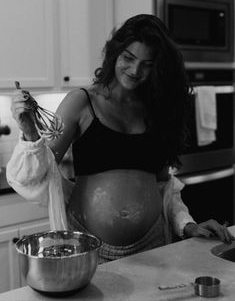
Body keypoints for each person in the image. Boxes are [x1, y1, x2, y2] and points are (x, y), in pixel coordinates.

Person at [7, 14, 234, 263]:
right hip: (92, 251)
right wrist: (30, 133)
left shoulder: (155, 109)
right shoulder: (82, 102)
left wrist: (188, 226)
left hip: (154, 246)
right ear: (114, 53)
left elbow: (163, 187)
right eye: (128, 58)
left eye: (148, 64)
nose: (136, 70)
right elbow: (38, 178)